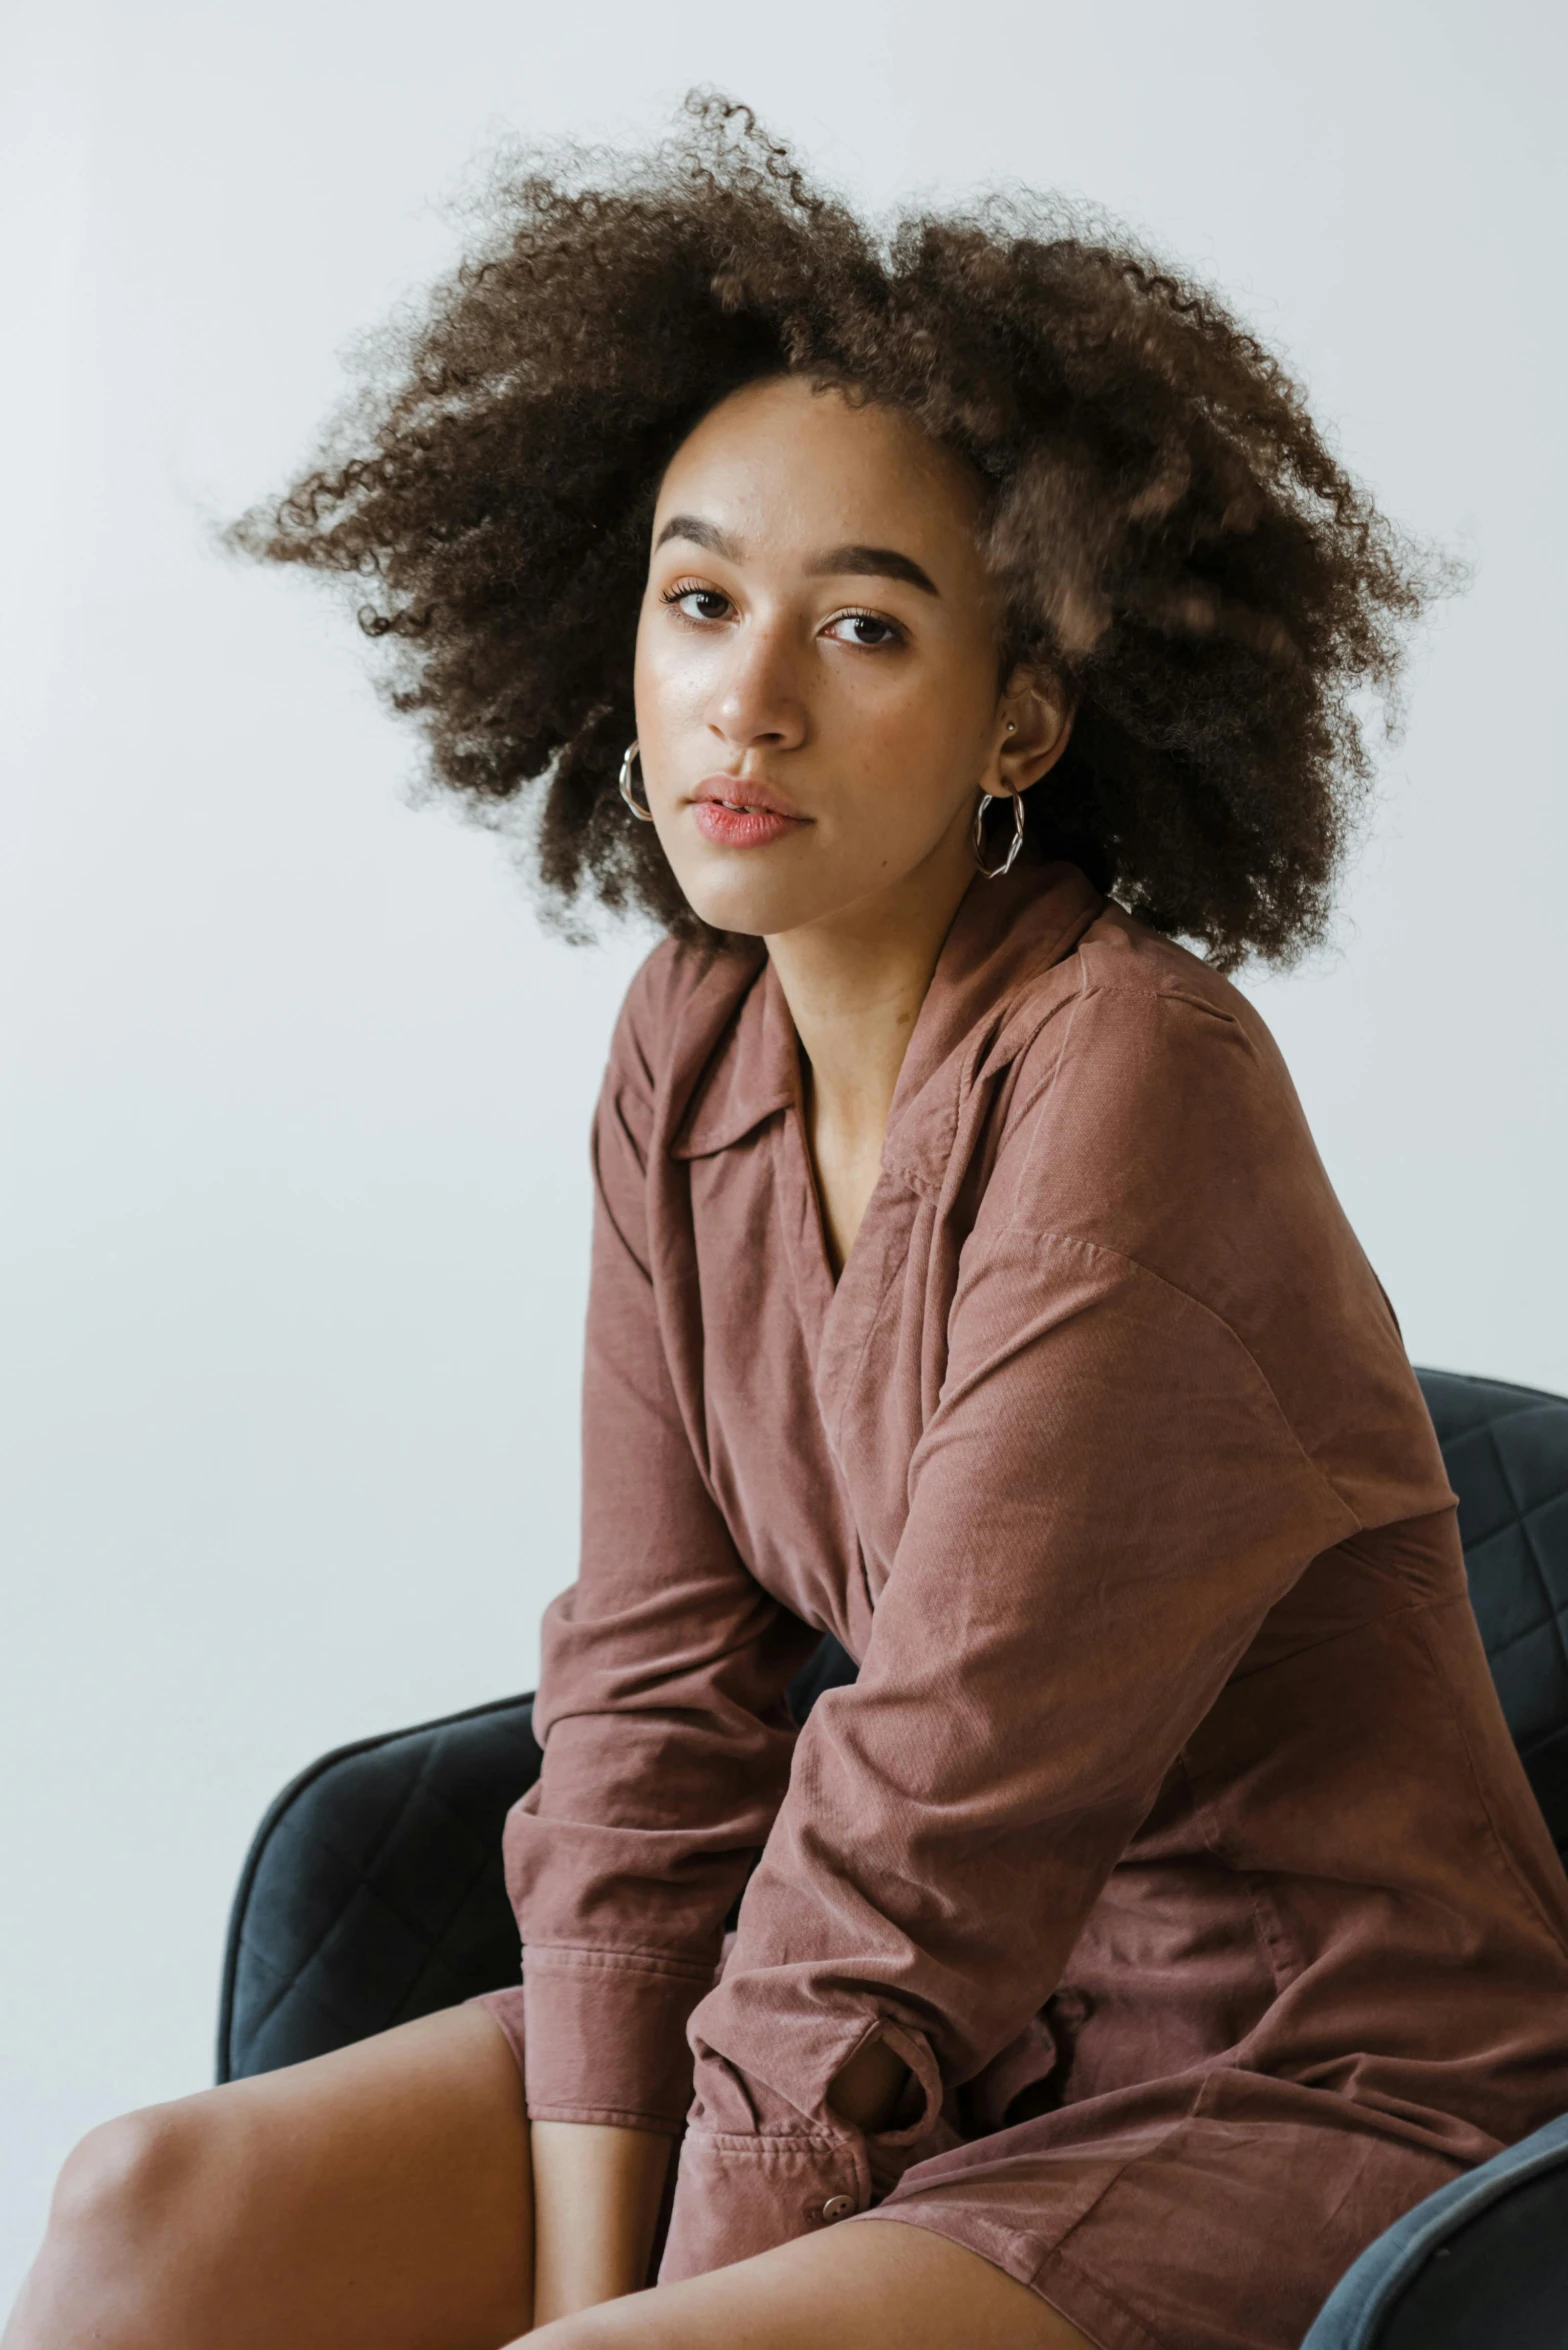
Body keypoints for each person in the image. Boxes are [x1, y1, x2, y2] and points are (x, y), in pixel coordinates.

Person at [9, 92, 1568, 2350]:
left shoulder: (1137, 1073)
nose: (747, 690)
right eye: (701, 598)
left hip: (1287, 2072)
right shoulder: (685, 1043)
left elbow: (922, 1819)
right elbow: (651, 1704)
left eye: (863, 626)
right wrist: (581, 2289)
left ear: (1014, 709)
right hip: (910, 2035)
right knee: (146, 2205)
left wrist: (654, 2305)